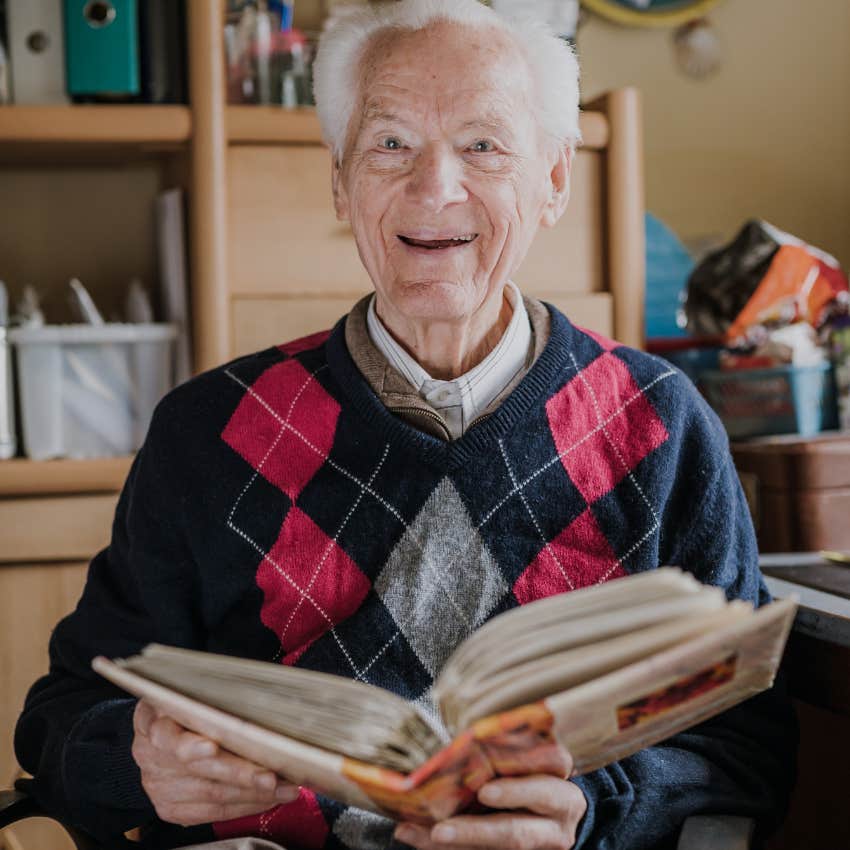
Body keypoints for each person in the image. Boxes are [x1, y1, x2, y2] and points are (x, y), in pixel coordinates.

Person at [15, 1, 795, 849]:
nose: (436, 189)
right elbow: (61, 716)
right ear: (342, 184)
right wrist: (136, 762)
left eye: (484, 145)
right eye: (390, 143)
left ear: (554, 182)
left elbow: (743, 744)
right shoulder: (208, 431)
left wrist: (591, 811)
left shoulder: (660, 424)